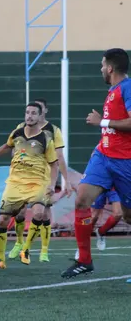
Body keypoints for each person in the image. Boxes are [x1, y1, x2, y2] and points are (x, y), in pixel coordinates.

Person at [62, 48, 131, 278]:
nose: (101, 69)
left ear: (110, 68)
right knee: (82, 200)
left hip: (125, 161)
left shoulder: (127, 87)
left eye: (102, 65)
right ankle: (84, 260)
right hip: (103, 155)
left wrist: (102, 121)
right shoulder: (113, 90)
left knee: (128, 216)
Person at [0, 97, 72, 263]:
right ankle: (18, 243)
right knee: (18, 214)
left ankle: (39, 250)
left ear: (43, 113)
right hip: (17, 180)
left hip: (41, 178)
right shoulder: (19, 130)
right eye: (28, 112)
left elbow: (58, 157)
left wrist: (64, 181)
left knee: (42, 213)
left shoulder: (52, 132)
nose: (30, 115)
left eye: (36, 111)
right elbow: (12, 146)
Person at [74, 189, 122, 260]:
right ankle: (82, 247)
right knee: (93, 217)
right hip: (101, 184)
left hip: (115, 186)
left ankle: (101, 232)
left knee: (118, 214)